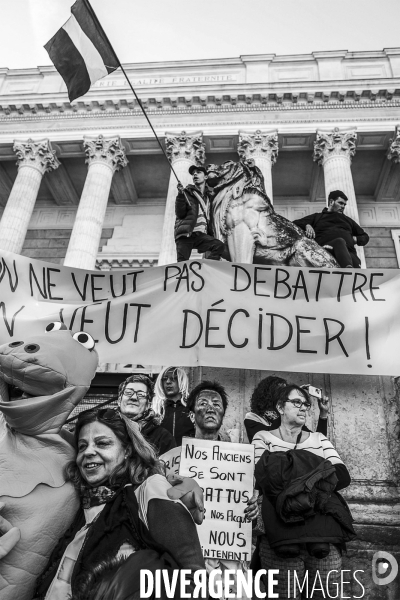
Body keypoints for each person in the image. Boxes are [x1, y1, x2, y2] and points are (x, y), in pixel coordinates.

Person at [34, 408, 205, 600]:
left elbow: (193, 579)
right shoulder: (83, 503)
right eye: (82, 446)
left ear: (127, 450)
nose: (88, 452)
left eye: (103, 443)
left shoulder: (150, 489)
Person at [252, 385, 355, 600]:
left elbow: (342, 476)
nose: (304, 408)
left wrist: (286, 466)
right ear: (280, 407)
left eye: (306, 404)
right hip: (280, 536)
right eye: (296, 402)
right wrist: (318, 471)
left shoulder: (319, 438)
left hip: (323, 536)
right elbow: (265, 478)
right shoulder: (262, 438)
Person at [183, 381, 258, 600]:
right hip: (190, 556)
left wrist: (253, 511)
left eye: (216, 404)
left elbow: (249, 517)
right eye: (203, 403)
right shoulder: (175, 459)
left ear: (223, 414)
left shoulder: (241, 463)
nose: (210, 408)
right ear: (191, 414)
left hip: (231, 562)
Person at [293, 189, 369, 268]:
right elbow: (294, 224)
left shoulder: (348, 220)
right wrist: (307, 225)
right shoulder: (317, 217)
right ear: (331, 202)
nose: (343, 206)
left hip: (349, 253)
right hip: (324, 251)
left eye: (344, 205)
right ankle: (348, 272)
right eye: (340, 203)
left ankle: (350, 272)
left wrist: (355, 239)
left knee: (355, 261)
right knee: (339, 242)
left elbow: (365, 236)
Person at [244, 375, 329, 442]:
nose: (285, 394)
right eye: (282, 391)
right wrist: (288, 403)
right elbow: (270, 437)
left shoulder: (290, 417)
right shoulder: (252, 418)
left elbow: (317, 442)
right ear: (269, 395)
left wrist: (323, 413)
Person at [175, 164, 225, 262]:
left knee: (219, 246)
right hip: (186, 234)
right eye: (193, 174)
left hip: (200, 235)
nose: (195, 175)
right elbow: (180, 213)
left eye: (198, 172)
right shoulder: (187, 192)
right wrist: (180, 195)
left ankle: (204, 269)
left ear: (205, 176)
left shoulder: (209, 198)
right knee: (181, 265)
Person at [118, 373, 176, 455]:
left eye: (141, 395)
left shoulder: (163, 438)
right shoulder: (104, 428)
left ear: (148, 405)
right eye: (128, 392)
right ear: (119, 400)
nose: (134, 398)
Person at [154, 366, 194, 445]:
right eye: (164, 379)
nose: (168, 382)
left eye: (173, 378)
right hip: (161, 456)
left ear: (181, 381)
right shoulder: (155, 408)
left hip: (187, 454)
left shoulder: (192, 407)